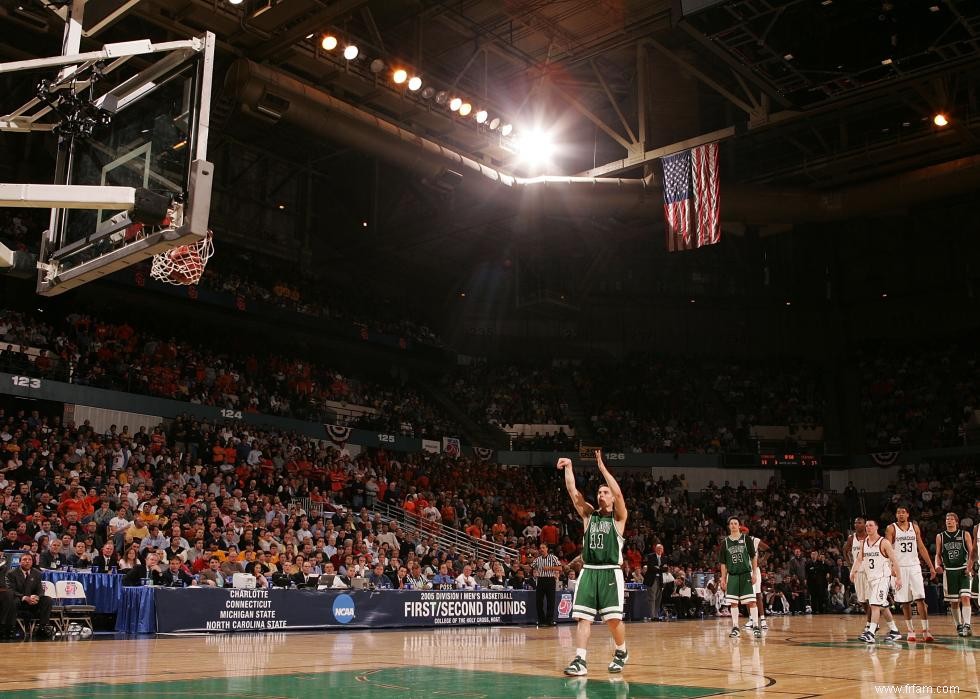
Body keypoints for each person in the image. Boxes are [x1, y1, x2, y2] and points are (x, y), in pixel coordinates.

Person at [558, 450, 629, 676]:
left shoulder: (618, 518)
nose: (601, 494)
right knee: (583, 618)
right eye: (599, 491)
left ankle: (621, 651)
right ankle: (580, 659)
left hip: (610, 572)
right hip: (588, 571)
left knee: (613, 620)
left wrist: (602, 469)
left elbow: (618, 495)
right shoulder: (590, 515)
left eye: (604, 492)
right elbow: (573, 492)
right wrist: (569, 466)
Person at [885, 505, 937, 642]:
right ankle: (910, 630)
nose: (900, 514)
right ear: (896, 515)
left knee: (920, 598)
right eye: (898, 513)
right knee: (905, 601)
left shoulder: (915, 527)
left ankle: (926, 630)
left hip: (914, 566)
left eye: (903, 512)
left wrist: (931, 566)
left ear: (908, 514)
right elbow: (887, 550)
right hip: (899, 568)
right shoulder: (891, 528)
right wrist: (890, 567)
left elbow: (921, 547)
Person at [852, 519, 902, 643]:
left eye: (871, 525)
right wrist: (853, 571)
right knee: (883, 606)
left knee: (874, 605)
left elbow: (895, 560)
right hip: (871, 579)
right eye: (867, 526)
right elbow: (859, 559)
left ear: (876, 527)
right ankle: (894, 631)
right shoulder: (864, 543)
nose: (868, 527)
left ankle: (870, 632)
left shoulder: (884, 542)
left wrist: (899, 578)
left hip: (882, 579)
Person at [935, 512, 974, 637]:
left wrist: (970, 567)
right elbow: (938, 554)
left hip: (963, 569)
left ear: (956, 522)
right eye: (947, 519)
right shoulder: (940, 536)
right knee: (954, 602)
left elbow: (972, 552)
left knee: (965, 597)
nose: (949, 521)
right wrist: (937, 565)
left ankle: (967, 625)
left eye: (951, 519)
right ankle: (958, 625)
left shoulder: (965, 534)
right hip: (950, 571)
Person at [720, 516, 759, 638]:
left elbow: (753, 557)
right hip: (732, 576)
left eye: (735, 523)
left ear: (739, 526)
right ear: (729, 526)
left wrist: (754, 573)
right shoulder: (725, 542)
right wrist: (723, 578)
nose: (733, 525)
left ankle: (756, 626)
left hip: (745, 574)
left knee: (752, 602)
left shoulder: (746, 539)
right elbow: (723, 563)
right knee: (733, 603)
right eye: (731, 523)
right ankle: (735, 627)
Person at [7, 553, 53, 637]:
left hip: (32, 601)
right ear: (19, 562)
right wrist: (23, 597)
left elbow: (40, 589)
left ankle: (42, 627)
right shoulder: (11, 573)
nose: (27, 561)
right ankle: (11, 628)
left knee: (47, 600)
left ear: (32, 562)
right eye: (24, 560)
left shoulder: (37, 573)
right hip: (19, 600)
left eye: (30, 560)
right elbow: (10, 590)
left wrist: (37, 597)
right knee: (13, 600)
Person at [844, 517, 872, 636]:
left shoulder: (870, 537)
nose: (856, 524)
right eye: (855, 522)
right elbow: (845, 551)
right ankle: (871, 622)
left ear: (865, 524)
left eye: (859, 522)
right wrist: (851, 565)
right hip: (858, 572)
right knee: (862, 600)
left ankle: (870, 624)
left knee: (871, 600)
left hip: (869, 572)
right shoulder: (851, 538)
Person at [741, 525, 769, 632]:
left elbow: (768, 550)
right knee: (749, 597)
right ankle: (752, 619)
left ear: (746, 532)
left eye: (742, 532)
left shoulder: (754, 540)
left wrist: (761, 561)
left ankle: (762, 620)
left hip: (754, 570)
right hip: (744, 571)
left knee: (757, 595)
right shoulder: (737, 543)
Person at [532, 543, 561, 627]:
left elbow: (560, 568)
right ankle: (541, 621)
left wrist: (549, 568)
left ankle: (550, 620)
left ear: (547, 549)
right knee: (539, 601)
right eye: (540, 548)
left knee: (551, 601)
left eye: (543, 548)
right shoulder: (537, 559)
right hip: (540, 580)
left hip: (550, 580)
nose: (541, 549)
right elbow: (531, 566)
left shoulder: (553, 558)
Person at [642, 543, 666, 621]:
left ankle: (656, 615)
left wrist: (658, 568)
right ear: (655, 549)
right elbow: (652, 568)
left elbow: (666, 569)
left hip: (660, 580)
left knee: (658, 598)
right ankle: (652, 616)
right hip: (652, 580)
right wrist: (660, 568)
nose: (660, 550)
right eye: (658, 548)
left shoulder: (664, 558)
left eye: (661, 549)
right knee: (652, 598)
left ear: (663, 550)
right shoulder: (650, 556)